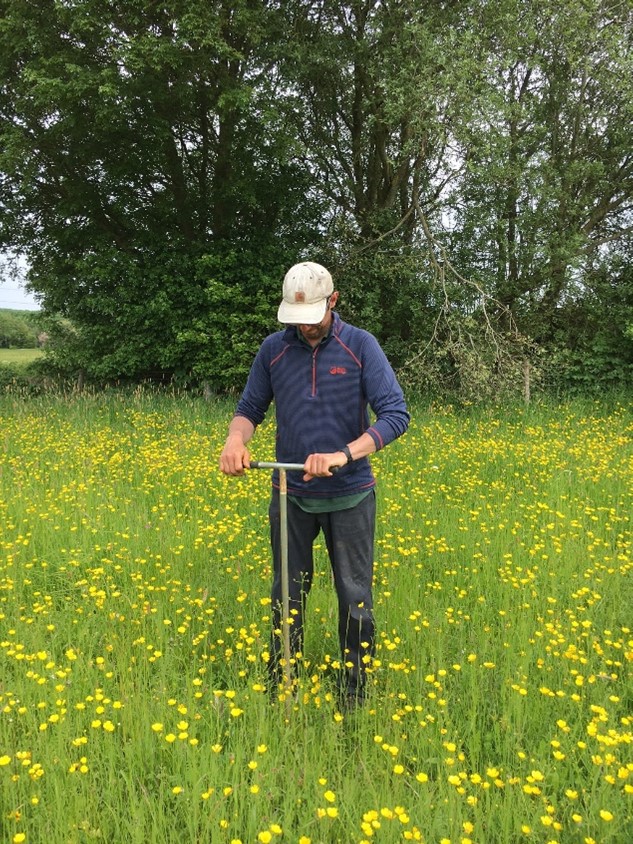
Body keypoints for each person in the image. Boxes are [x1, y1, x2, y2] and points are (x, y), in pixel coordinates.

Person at [219, 261, 409, 706]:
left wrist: (344, 454)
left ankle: (356, 691)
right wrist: (234, 439)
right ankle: (281, 684)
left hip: (350, 496)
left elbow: (396, 415)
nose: (305, 327)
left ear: (334, 301)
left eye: (313, 317)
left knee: (355, 595)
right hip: (291, 496)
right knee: (287, 593)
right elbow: (249, 409)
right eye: (296, 319)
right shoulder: (273, 350)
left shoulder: (361, 346)